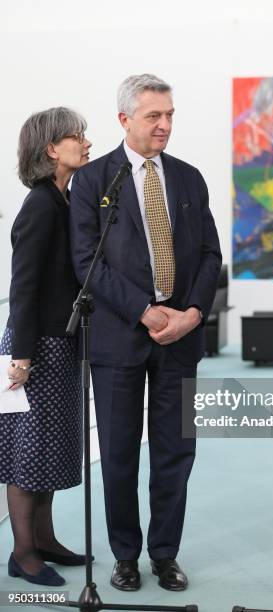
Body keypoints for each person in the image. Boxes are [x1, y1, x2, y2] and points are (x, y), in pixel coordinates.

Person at [69, 73, 221, 592]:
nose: (164, 125)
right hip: (118, 341)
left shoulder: (189, 178)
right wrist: (144, 311)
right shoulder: (92, 181)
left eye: (170, 115)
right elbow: (86, 260)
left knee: (175, 451)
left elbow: (209, 255)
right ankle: (126, 556)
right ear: (124, 119)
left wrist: (192, 313)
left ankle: (164, 554)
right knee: (117, 453)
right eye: (154, 115)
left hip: (181, 339)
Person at [0, 107, 92, 586]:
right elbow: (25, 286)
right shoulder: (40, 204)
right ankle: (23, 552)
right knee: (28, 452)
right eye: (77, 136)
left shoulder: (65, 200)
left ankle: (46, 539)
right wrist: (20, 357)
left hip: (59, 342)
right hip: (34, 347)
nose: (86, 142)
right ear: (51, 148)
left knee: (51, 449)